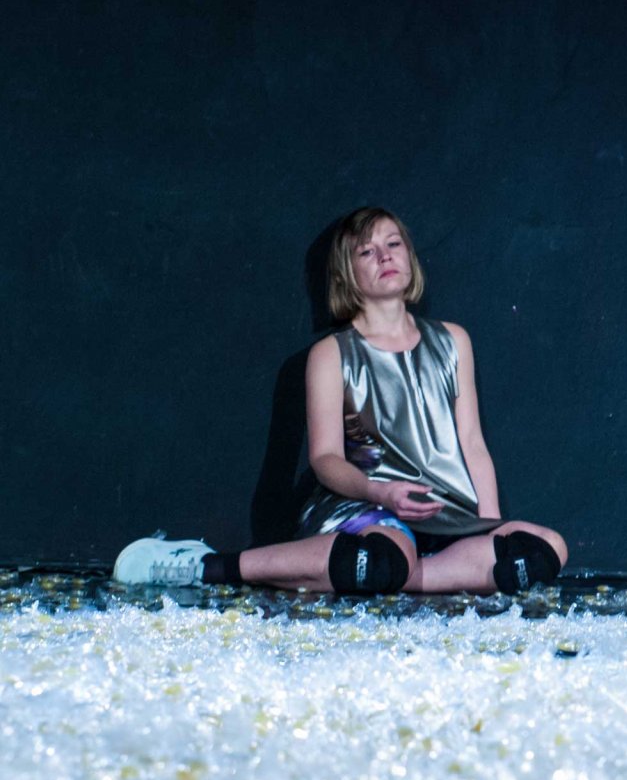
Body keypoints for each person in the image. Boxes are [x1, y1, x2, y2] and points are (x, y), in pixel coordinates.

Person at [113, 207, 567, 596]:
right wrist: (379, 492)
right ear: (347, 274)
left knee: (546, 548)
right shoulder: (332, 354)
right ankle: (209, 566)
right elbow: (325, 458)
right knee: (383, 553)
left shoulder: (454, 341)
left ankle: (398, 574)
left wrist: (491, 527)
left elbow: (472, 442)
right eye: (367, 251)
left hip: (445, 513)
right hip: (365, 508)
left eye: (393, 244)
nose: (384, 256)